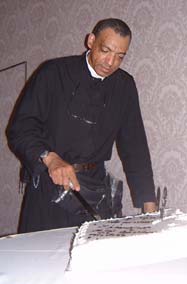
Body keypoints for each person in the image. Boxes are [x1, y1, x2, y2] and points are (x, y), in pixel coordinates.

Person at [7, 18, 156, 233]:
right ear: (91, 41)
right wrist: (50, 158)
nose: (110, 62)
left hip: (96, 189)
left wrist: (148, 203)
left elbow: (135, 147)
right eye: (106, 50)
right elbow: (20, 128)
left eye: (120, 57)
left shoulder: (124, 86)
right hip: (50, 184)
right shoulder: (53, 73)